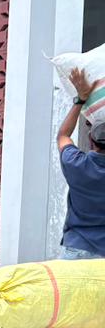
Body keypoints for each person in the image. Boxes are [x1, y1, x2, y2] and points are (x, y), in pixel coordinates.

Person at [55, 68, 105, 260]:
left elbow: (63, 135)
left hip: (75, 249)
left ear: (91, 141)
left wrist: (80, 99)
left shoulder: (76, 164)